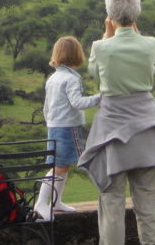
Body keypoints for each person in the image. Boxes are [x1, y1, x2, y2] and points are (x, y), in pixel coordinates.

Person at [78, 0, 155, 245]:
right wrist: (129, 28)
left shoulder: (101, 47)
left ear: (110, 13)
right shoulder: (150, 44)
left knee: (112, 209)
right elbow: (144, 53)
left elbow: (95, 75)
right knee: (147, 208)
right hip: (147, 131)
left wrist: (109, 35)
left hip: (113, 133)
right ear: (137, 13)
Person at [34, 36, 101, 221]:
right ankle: (41, 203)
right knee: (61, 167)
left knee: (62, 166)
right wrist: (99, 97)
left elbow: (46, 107)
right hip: (67, 127)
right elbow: (78, 103)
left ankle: (56, 202)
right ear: (76, 55)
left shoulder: (53, 78)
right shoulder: (71, 79)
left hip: (54, 126)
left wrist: (52, 122)